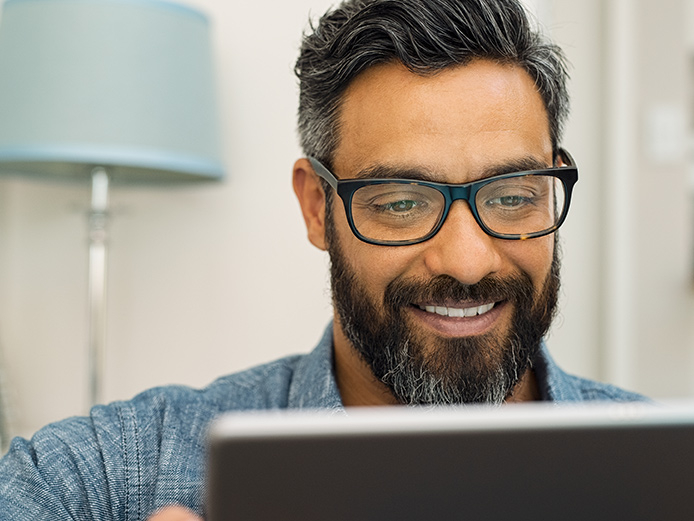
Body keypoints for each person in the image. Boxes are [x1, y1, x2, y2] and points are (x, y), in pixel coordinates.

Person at [0, 0, 647, 519]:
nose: (469, 260)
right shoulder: (119, 471)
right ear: (317, 206)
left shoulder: (662, 467)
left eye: (511, 196)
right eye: (402, 202)